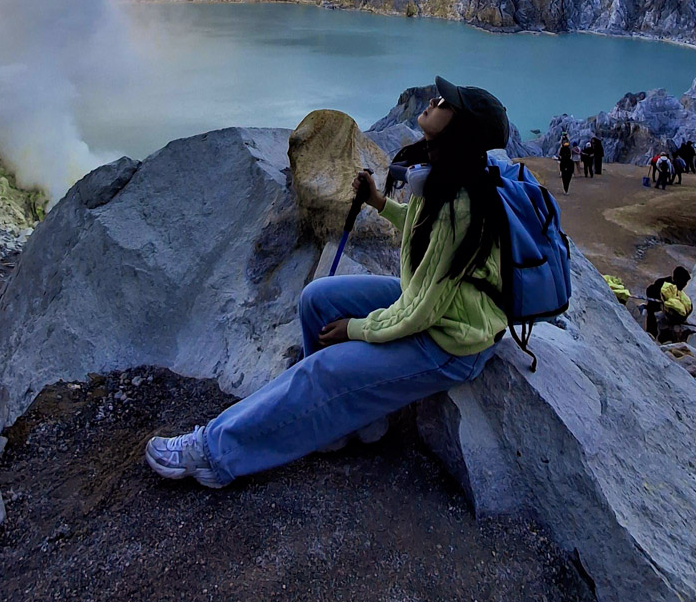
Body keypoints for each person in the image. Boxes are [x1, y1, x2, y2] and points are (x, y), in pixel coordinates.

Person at [144, 76, 513, 488]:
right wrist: (379, 204)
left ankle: (215, 452)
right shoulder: (446, 172)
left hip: (451, 340)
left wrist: (355, 331)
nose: (433, 99)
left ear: (461, 128)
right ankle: (342, 424)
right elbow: (423, 229)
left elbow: (420, 312)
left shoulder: (462, 203)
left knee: (323, 370)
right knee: (317, 300)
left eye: (445, 101)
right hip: (434, 306)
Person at [645, 266, 692, 340]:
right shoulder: (663, 284)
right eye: (684, 282)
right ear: (678, 279)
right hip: (657, 314)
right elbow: (650, 292)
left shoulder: (676, 289)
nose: (685, 284)